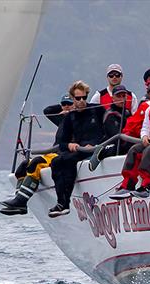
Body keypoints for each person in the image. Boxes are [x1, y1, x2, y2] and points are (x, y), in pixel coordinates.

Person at [0, 94, 72, 216]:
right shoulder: (62, 118)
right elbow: (48, 110)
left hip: (63, 154)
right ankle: (19, 202)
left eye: (69, 104)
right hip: (54, 153)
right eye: (64, 104)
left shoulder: (80, 118)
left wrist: (74, 109)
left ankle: (21, 201)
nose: (67, 106)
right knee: (23, 166)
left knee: (36, 163)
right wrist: (64, 110)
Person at [48, 80, 105, 217]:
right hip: (78, 148)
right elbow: (61, 142)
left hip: (94, 147)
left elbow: (108, 131)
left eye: (84, 97)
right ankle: (62, 203)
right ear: (73, 99)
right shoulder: (70, 117)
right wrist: (69, 145)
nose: (81, 101)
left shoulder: (97, 110)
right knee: (56, 162)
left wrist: (96, 144)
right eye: (78, 98)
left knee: (68, 160)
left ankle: (64, 202)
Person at [95, 84, 134, 161]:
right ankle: (98, 154)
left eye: (123, 96)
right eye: (118, 96)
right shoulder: (110, 114)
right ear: (113, 98)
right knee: (123, 145)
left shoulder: (127, 112)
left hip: (125, 141)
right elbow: (115, 136)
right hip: (111, 144)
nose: (122, 99)